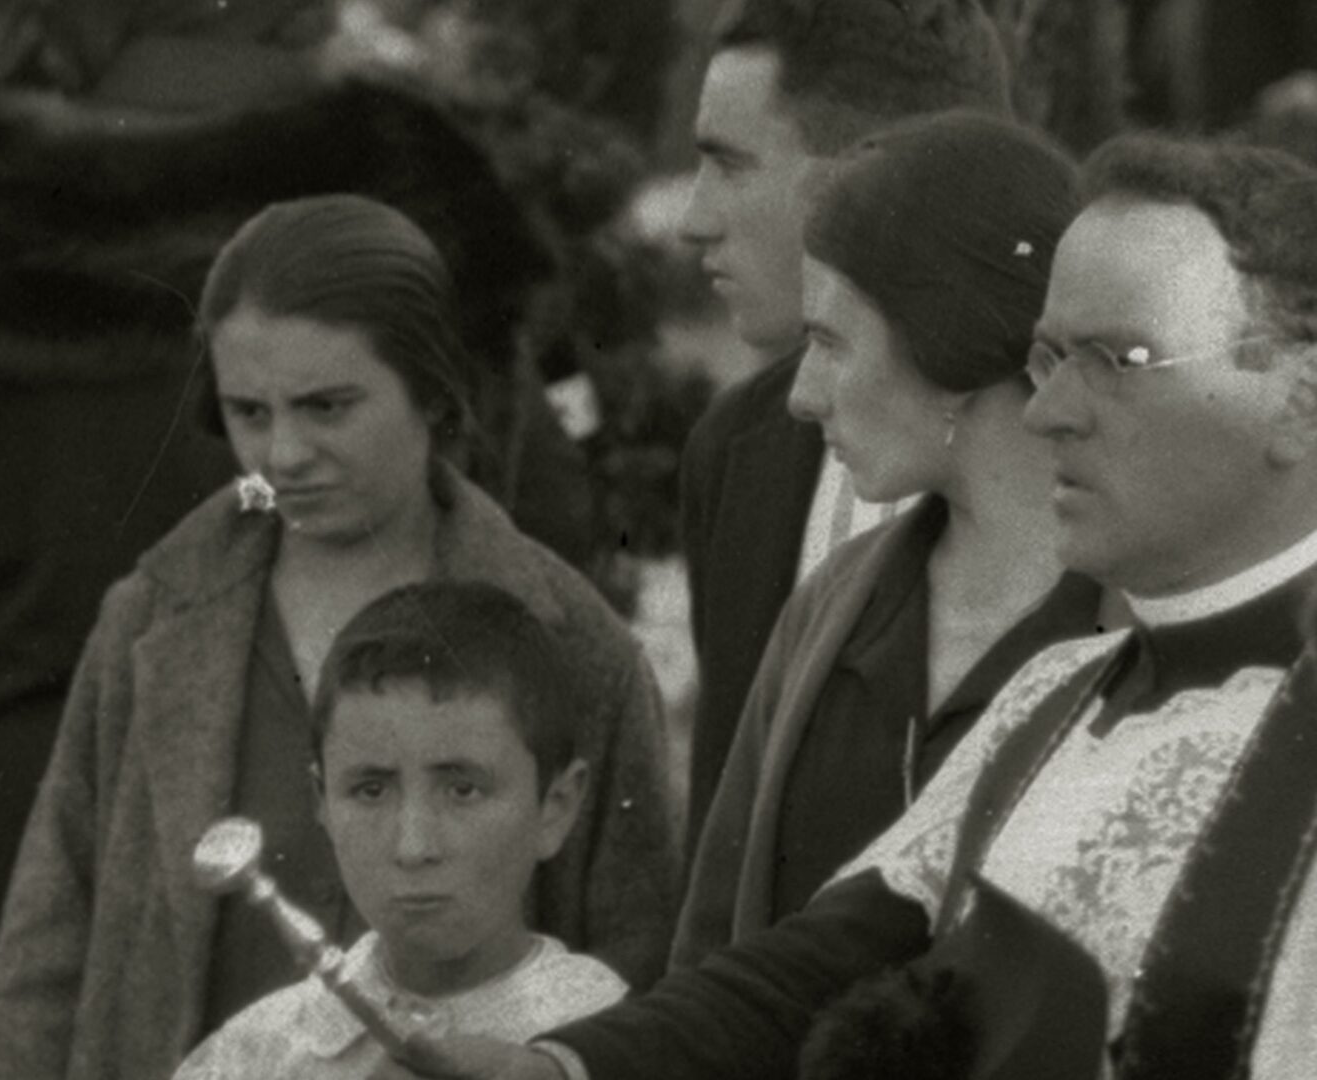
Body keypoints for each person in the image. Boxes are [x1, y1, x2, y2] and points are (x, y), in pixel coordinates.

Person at [374, 131, 1317, 1080]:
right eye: (1049, 356)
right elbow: (811, 972)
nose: (1047, 409)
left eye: (1118, 358)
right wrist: (560, 1070)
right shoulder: (1051, 699)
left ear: (1299, 396)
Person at [0, 194, 677, 1080]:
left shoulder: (570, 643)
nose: (284, 455)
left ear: (431, 389)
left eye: (327, 406)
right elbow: (45, 953)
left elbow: (647, 976)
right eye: (249, 413)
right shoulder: (152, 619)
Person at [673, 111, 1104, 964]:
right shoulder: (830, 608)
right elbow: (709, 960)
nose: (801, 395)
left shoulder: (1140, 628)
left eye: (830, 342)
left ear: (949, 340)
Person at [676, 0, 1012, 853]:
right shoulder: (737, 450)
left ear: (873, 175)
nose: (693, 219)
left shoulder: (1082, 447)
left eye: (728, 164)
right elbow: (728, 832)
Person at [172, 581, 629, 1080]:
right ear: (320, 802)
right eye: (371, 791)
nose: (413, 847)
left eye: (463, 791)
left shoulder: (609, 1040)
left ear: (555, 807)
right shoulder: (255, 1054)